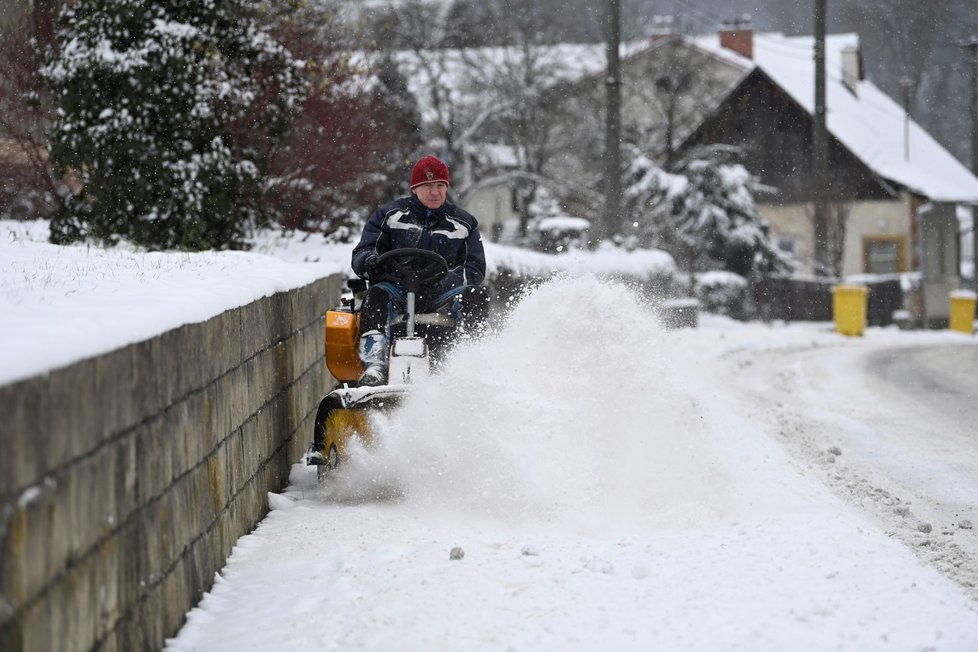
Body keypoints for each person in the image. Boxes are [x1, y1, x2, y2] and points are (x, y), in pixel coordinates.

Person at [350, 155, 489, 386]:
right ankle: (375, 365)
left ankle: (469, 364)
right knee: (375, 297)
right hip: (395, 289)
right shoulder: (388, 216)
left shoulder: (464, 224)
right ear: (415, 188)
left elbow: (475, 268)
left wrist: (445, 281)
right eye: (427, 186)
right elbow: (363, 252)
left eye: (440, 186)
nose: (435, 192)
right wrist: (370, 261)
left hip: (441, 292)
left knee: (476, 296)